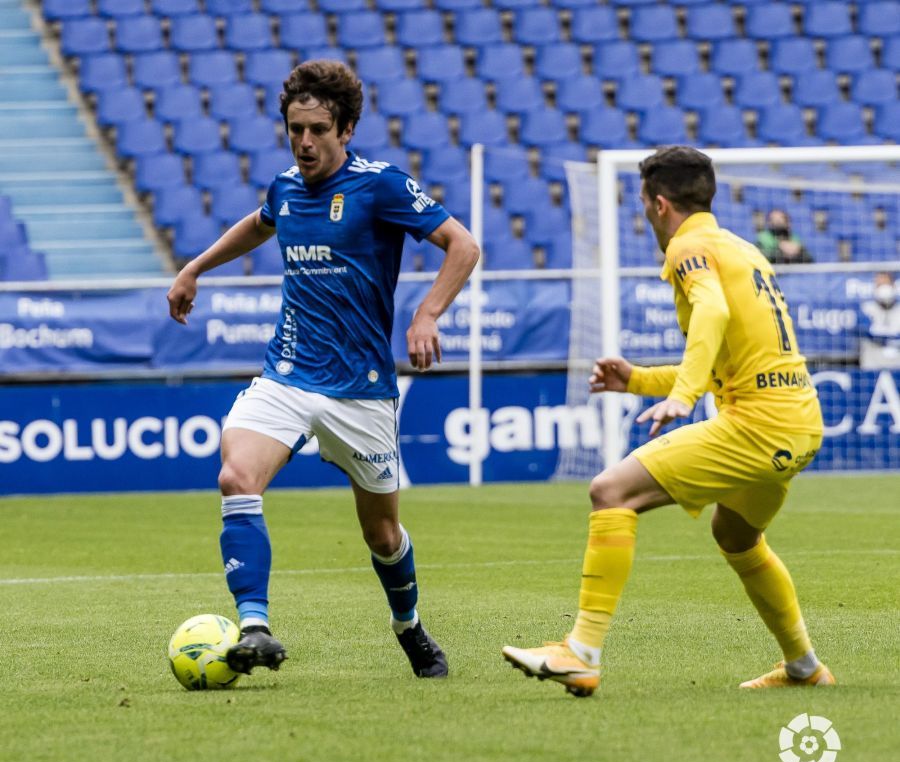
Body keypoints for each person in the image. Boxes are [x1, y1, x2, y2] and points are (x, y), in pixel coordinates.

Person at [167, 60, 479, 678]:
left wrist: (427, 314)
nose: (304, 143)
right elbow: (259, 224)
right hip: (287, 374)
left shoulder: (381, 185)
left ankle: (409, 627)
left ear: (347, 128)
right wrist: (194, 268)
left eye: (317, 130)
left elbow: (463, 246)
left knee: (383, 535)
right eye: (294, 130)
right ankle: (254, 625)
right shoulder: (287, 186)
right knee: (237, 476)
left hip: (360, 391)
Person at [503, 146, 833, 697]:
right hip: (799, 424)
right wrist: (637, 380)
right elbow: (727, 356)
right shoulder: (740, 249)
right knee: (736, 534)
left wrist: (681, 396)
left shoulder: (688, 247)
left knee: (611, 491)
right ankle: (804, 666)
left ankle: (580, 652)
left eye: (643, 205)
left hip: (758, 426)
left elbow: (712, 313)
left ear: (659, 204)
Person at [859, 271, 900, 370]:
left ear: (893, 286)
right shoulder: (865, 309)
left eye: (886, 284)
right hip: (872, 367)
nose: (883, 289)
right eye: (880, 285)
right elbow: (867, 332)